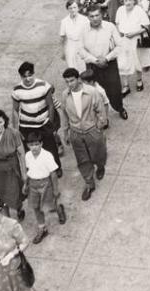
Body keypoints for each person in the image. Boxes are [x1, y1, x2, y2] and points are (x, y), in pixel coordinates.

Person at [61, 68, 108, 200]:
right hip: (76, 133)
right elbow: (64, 114)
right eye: (67, 82)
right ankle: (89, 184)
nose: (70, 84)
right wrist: (65, 132)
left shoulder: (91, 92)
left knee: (98, 153)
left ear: (78, 79)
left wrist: (99, 126)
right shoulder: (65, 95)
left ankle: (100, 166)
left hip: (92, 130)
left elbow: (100, 110)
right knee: (82, 160)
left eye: (72, 80)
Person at [11, 61, 62, 176]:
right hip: (26, 126)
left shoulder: (44, 85)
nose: (28, 79)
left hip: (44, 124)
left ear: (33, 74)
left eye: (30, 75)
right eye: (24, 76)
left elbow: (50, 105)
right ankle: (35, 171)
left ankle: (56, 168)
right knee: (30, 150)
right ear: (20, 76)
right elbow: (15, 110)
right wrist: (16, 129)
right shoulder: (17, 90)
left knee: (50, 147)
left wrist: (50, 121)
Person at [78, 4, 128, 120]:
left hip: (109, 64)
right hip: (92, 65)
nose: (95, 18)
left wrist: (106, 58)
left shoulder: (110, 27)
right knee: (95, 92)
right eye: (91, 16)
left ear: (102, 15)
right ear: (88, 17)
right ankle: (102, 117)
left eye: (97, 15)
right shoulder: (83, 30)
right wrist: (96, 61)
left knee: (114, 90)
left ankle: (119, 108)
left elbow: (120, 46)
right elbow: (80, 49)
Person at [23, 131, 64, 244]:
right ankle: (42, 228)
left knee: (49, 206)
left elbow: (53, 174)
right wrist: (25, 184)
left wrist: (55, 189)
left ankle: (59, 208)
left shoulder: (47, 156)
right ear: (27, 145)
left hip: (46, 183)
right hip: (33, 184)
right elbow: (28, 170)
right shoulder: (27, 155)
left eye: (36, 144)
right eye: (31, 145)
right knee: (36, 207)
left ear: (41, 144)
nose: (34, 147)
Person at [115, 0, 150, 94]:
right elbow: (117, 23)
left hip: (135, 39)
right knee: (122, 63)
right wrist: (119, 34)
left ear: (134, 1)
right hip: (123, 40)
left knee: (137, 61)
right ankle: (126, 85)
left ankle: (139, 81)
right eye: (125, 0)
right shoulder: (120, 10)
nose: (127, 2)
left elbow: (146, 27)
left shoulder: (139, 10)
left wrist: (134, 33)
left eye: (130, 0)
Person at [59, 0, 89, 72]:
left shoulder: (85, 19)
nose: (73, 10)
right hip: (70, 46)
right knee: (72, 67)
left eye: (74, 7)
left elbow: (89, 34)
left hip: (82, 45)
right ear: (67, 9)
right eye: (70, 8)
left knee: (83, 67)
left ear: (78, 8)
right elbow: (62, 38)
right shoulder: (64, 21)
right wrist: (63, 51)